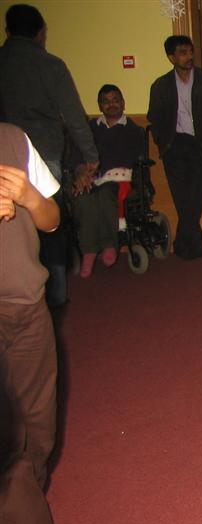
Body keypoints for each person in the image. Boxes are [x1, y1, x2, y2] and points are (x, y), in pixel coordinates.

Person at [0, 123, 63, 524]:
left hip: (26, 308)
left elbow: (52, 220)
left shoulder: (13, 138)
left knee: (37, 432)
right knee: (8, 448)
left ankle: (16, 515)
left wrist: (26, 196)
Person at [0, 3, 98, 306]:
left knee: (10, 232)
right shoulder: (51, 65)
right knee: (50, 225)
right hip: (44, 155)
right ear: (42, 33)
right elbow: (72, 116)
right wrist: (90, 155)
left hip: (4, 152)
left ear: (7, 31)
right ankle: (54, 297)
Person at [147, 35, 202, 261]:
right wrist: (162, 143)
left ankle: (182, 242)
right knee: (182, 198)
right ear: (171, 57)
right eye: (182, 53)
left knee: (196, 196)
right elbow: (153, 118)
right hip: (174, 146)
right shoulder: (161, 86)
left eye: (190, 52)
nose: (188, 57)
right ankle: (192, 245)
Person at [70, 85, 146, 278]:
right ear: (100, 106)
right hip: (91, 177)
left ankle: (108, 245)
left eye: (115, 100)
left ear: (122, 103)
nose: (111, 104)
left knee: (105, 195)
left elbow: (131, 160)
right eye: (106, 101)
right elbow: (76, 154)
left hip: (117, 180)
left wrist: (101, 170)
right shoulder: (90, 129)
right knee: (84, 198)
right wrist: (82, 172)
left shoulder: (134, 131)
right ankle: (89, 251)